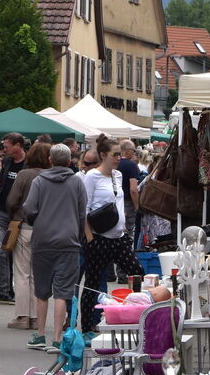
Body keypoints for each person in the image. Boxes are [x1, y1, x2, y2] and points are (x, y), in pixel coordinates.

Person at [22, 143, 87, 349]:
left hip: (43, 239)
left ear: (50, 160)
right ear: (69, 161)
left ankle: (40, 334)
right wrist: (77, 233)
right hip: (68, 240)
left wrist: (37, 221)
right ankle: (57, 338)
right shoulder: (76, 182)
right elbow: (82, 211)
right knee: (63, 290)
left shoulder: (40, 181)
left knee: (42, 289)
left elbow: (29, 208)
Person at [81, 137, 143, 332]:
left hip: (119, 238)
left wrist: (123, 227)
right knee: (93, 282)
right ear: (102, 155)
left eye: (119, 154)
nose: (119, 158)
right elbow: (84, 208)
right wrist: (90, 238)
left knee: (137, 271)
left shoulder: (117, 175)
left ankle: (136, 312)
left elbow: (118, 202)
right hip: (99, 239)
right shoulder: (92, 176)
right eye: (115, 154)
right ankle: (88, 326)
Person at [5, 141, 50, 331]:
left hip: (24, 226)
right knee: (37, 274)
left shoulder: (24, 175)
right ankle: (35, 317)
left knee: (22, 273)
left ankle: (23, 316)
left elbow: (11, 201)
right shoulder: (51, 176)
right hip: (46, 229)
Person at [0, 132, 26, 303]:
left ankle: (22, 291)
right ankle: (4, 290)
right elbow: (2, 184)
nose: (4, 149)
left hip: (20, 215)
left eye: (7, 146)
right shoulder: (7, 162)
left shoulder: (28, 164)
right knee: (1, 252)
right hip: (3, 212)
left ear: (18, 145)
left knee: (19, 256)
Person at [116, 140, 141, 250]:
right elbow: (133, 189)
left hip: (115, 202)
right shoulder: (131, 165)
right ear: (127, 151)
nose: (134, 153)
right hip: (127, 202)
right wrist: (136, 205)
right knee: (128, 232)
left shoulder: (114, 164)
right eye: (133, 150)